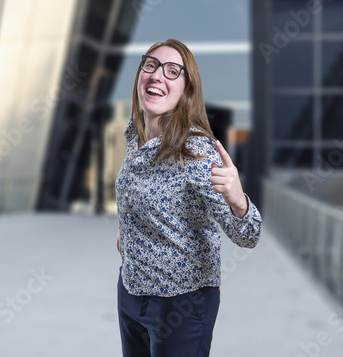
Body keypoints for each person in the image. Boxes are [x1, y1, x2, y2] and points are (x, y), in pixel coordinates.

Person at [115, 38, 261, 357]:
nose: (157, 76)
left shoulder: (195, 153)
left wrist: (238, 201)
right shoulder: (134, 137)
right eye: (150, 65)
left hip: (180, 304)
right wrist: (128, 234)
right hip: (130, 291)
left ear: (186, 90)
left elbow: (248, 236)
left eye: (172, 71)